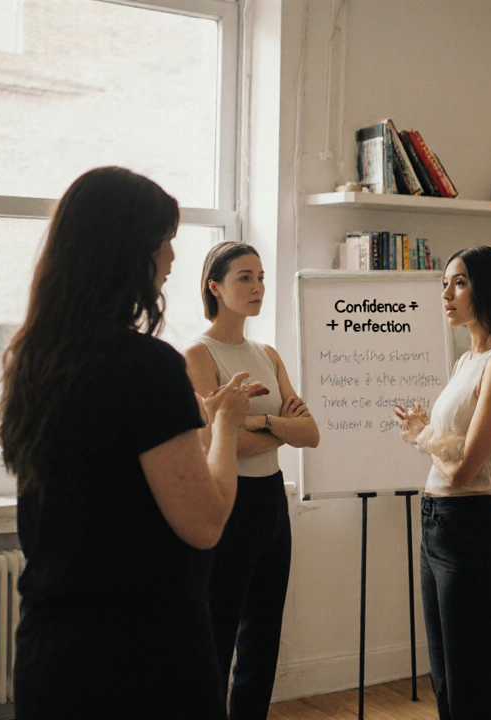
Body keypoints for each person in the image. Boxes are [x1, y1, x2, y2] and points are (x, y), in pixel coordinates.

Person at [0, 167, 266, 719]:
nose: (171, 258)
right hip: (139, 658)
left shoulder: (33, 360)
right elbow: (206, 521)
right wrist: (226, 425)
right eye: (164, 242)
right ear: (127, 253)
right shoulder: (147, 366)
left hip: (51, 652)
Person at [392, 246, 491, 720]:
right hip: (437, 522)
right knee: (447, 677)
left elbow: (465, 467)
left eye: (460, 283)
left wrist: (422, 434)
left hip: (470, 527)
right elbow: (450, 446)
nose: (447, 294)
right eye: (445, 283)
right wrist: (428, 431)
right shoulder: (467, 361)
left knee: (476, 680)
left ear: (487, 289)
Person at [184, 242, 319, 720]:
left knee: (263, 637)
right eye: (245, 277)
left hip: (270, 504)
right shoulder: (198, 354)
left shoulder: (267, 353)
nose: (258, 287)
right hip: (230, 503)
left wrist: (255, 424)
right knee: (219, 634)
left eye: (260, 277)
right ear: (214, 286)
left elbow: (311, 433)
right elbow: (215, 442)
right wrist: (276, 427)